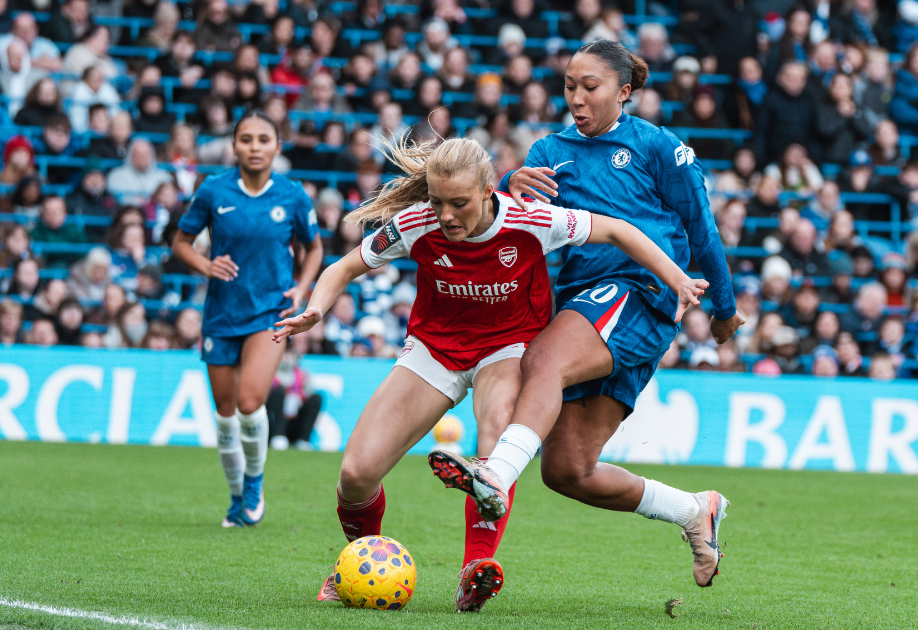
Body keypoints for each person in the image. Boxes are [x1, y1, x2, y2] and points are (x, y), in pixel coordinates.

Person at [273, 135, 708, 611]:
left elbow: (618, 231)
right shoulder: (415, 223)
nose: (446, 216)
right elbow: (343, 267)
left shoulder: (531, 219)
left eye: (458, 203)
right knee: (356, 474)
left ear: (487, 190)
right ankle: (361, 561)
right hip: (434, 350)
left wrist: (676, 277)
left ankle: (474, 569)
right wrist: (316, 308)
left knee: (494, 449)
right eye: (438, 202)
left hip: (508, 347)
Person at [426, 40, 743, 590]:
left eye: (589, 87)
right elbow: (502, 228)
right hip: (578, 304)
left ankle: (496, 474)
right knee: (567, 471)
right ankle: (695, 510)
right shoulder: (549, 151)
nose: (576, 97)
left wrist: (725, 309)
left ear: (624, 92)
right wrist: (506, 191)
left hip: (638, 293)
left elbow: (702, 229)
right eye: (569, 86)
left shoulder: (658, 148)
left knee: (544, 359)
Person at [171, 110, 323, 529]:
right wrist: (205, 265)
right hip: (221, 314)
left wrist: (303, 285)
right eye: (246, 139)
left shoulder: (292, 195)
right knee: (224, 415)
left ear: (277, 146)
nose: (254, 147)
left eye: (263, 139)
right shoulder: (213, 190)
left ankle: (254, 485)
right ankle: (237, 496)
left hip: (269, 313)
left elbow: (315, 248)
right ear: (233, 146)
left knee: (250, 403)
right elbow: (180, 243)